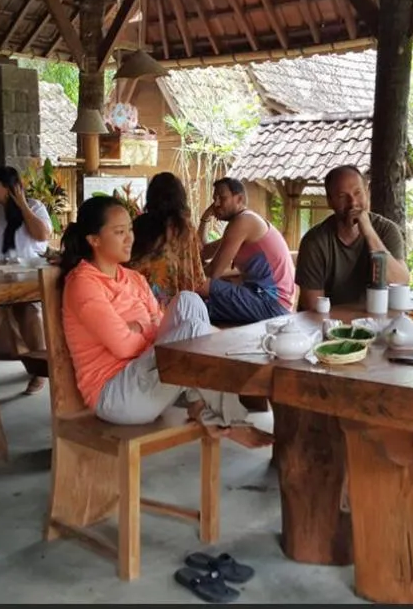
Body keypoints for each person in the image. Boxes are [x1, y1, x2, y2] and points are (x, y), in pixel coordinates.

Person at [60, 195, 272, 448]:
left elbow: (156, 329)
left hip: (147, 379)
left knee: (189, 301)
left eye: (130, 229)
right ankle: (232, 419)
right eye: (119, 232)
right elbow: (124, 347)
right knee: (193, 333)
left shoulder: (133, 278)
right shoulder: (84, 283)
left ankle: (197, 402)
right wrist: (149, 331)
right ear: (94, 240)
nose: (130, 238)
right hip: (117, 396)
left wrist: (138, 329)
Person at [0, 165, 55, 394]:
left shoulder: (34, 207)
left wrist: (22, 206)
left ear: (9, 187)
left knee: (28, 312)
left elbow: (42, 235)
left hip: (28, 280)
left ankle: (40, 371)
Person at [295, 165, 410, 310]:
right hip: (327, 326)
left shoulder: (387, 230)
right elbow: (314, 309)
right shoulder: (314, 242)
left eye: (358, 193)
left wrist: (368, 232)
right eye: (343, 196)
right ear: (330, 201)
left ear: (367, 192)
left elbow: (400, 282)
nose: (353, 203)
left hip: (373, 320)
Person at [196, 177, 295, 324]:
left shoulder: (243, 222)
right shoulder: (243, 223)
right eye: (214, 199)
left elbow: (214, 272)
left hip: (272, 304)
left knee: (197, 291)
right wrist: (205, 218)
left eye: (222, 198)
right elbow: (203, 251)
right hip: (265, 300)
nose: (216, 204)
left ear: (239, 199)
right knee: (199, 304)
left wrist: (180, 277)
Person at [127, 172, 207, 309]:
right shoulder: (186, 229)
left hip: (141, 304)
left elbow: (128, 264)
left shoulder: (140, 224)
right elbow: (197, 276)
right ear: (181, 198)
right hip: (176, 309)